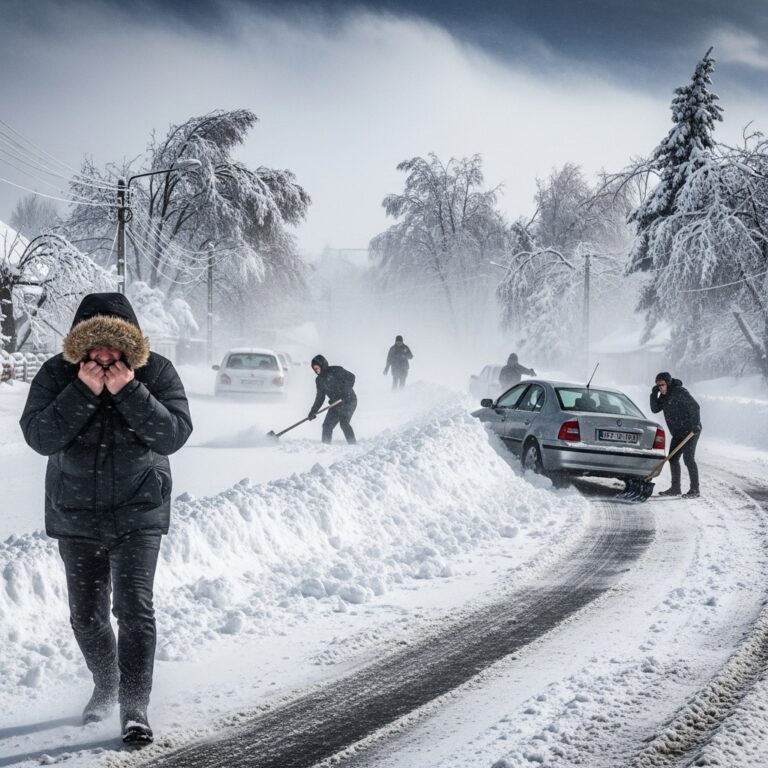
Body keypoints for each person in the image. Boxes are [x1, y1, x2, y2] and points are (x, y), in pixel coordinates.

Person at [19, 293, 193, 745]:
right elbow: (39, 436)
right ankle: (107, 683)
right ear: (80, 345)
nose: (102, 357)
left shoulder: (156, 373)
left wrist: (129, 390)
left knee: (134, 609)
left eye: (112, 349)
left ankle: (134, 706)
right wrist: (82, 390)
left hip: (139, 512)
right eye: (93, 348)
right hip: (76, 515)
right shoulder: (59, 374)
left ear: (130, 346)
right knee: (86, 617)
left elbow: (172, 434)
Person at [649, 371, 702, 498]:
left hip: (691, 430)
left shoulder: (680, 392)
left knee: (688, 459)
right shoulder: (664, 396)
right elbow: (655, 409)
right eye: (658, 385)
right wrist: (653, 394)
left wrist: (695, 424)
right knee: (673, 458)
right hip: (678, 433)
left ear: (667, 383)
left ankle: (695, 490)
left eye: (662, 384)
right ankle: (675, 488)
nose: (660, 387)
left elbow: (695, 407)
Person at [308, 354, 357, 444]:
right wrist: (313, 411)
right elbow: (320, 397)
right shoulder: (319, 380)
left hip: (349, 401)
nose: (316, 370)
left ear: (322, 365)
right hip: (336, 404)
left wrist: (346, 392)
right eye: (314, 369)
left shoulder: (336, 370)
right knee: (327, 425)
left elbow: (351, 377)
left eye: (317, 367)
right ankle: (325, 447)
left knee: (344, 424)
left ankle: (353, 445)